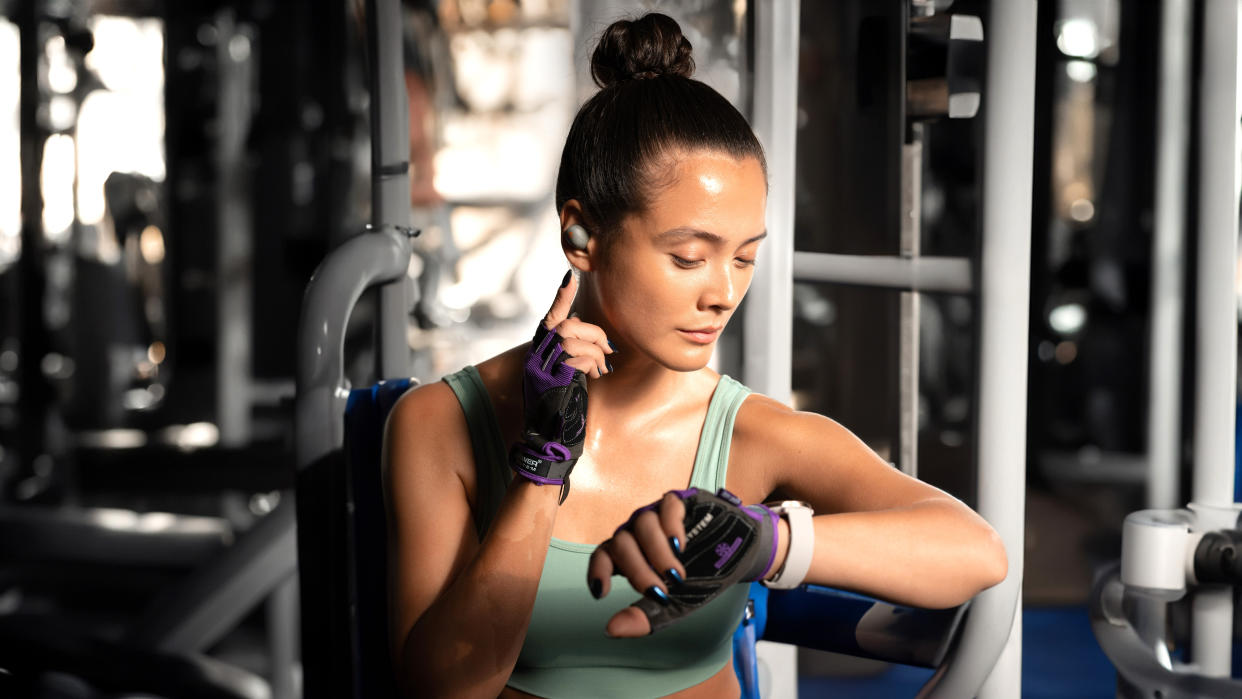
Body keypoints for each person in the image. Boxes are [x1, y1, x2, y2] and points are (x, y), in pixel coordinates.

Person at [383, 13, 1007, 698]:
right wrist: (539, 470)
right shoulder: (436, 423)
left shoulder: (752, 434)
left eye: (744, 257)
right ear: (582, 234)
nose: (723, 293)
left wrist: (770, 542)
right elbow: (445, 687)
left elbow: (975, 550)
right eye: (689, 256)